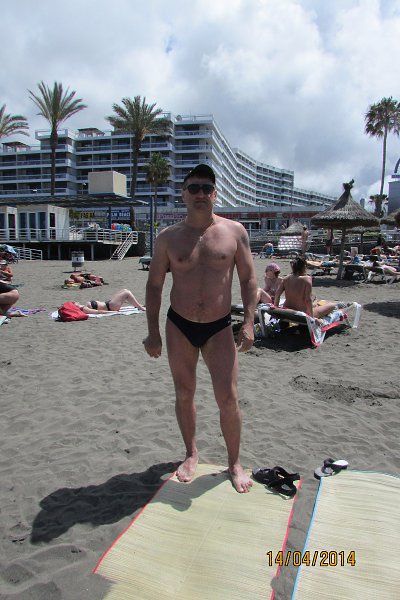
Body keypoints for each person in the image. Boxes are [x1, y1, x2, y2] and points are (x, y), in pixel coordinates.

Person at [143, 164, 258, 493]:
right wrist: (153, 332)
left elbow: (249, 280)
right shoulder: (168, 237)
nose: (200, 194)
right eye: (193, 188)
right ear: (183, 194)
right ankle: (191, 453)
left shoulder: (235, 232)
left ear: (215, 193)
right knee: (184, 393)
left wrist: (249, 322)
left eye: (206, 188)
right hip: (179, 325)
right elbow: (154, 285)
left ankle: (234, 462)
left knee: (229, 398)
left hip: (219, 327)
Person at [274, 257, 344, 323]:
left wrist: (276, 311)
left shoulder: (286, 278)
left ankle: (316, 304)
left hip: (287, 312)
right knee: (332, 306)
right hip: (301, 314)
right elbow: (308, 300)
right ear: (304, 267)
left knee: (314, 299)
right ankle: (337, 305)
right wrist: (311, 317)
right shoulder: (307, 279)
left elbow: (277, 295)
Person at [73, 288, 145, 314]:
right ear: (75, 307)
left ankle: (138, 305)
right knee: (127, 293)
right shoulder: (84, 309)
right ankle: (140, 307)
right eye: (74, 303)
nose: (75, 302)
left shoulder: (83, 307)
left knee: (124, 290)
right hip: (110, 307)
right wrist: (112, 312)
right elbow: (98, 312)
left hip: (108, 304)